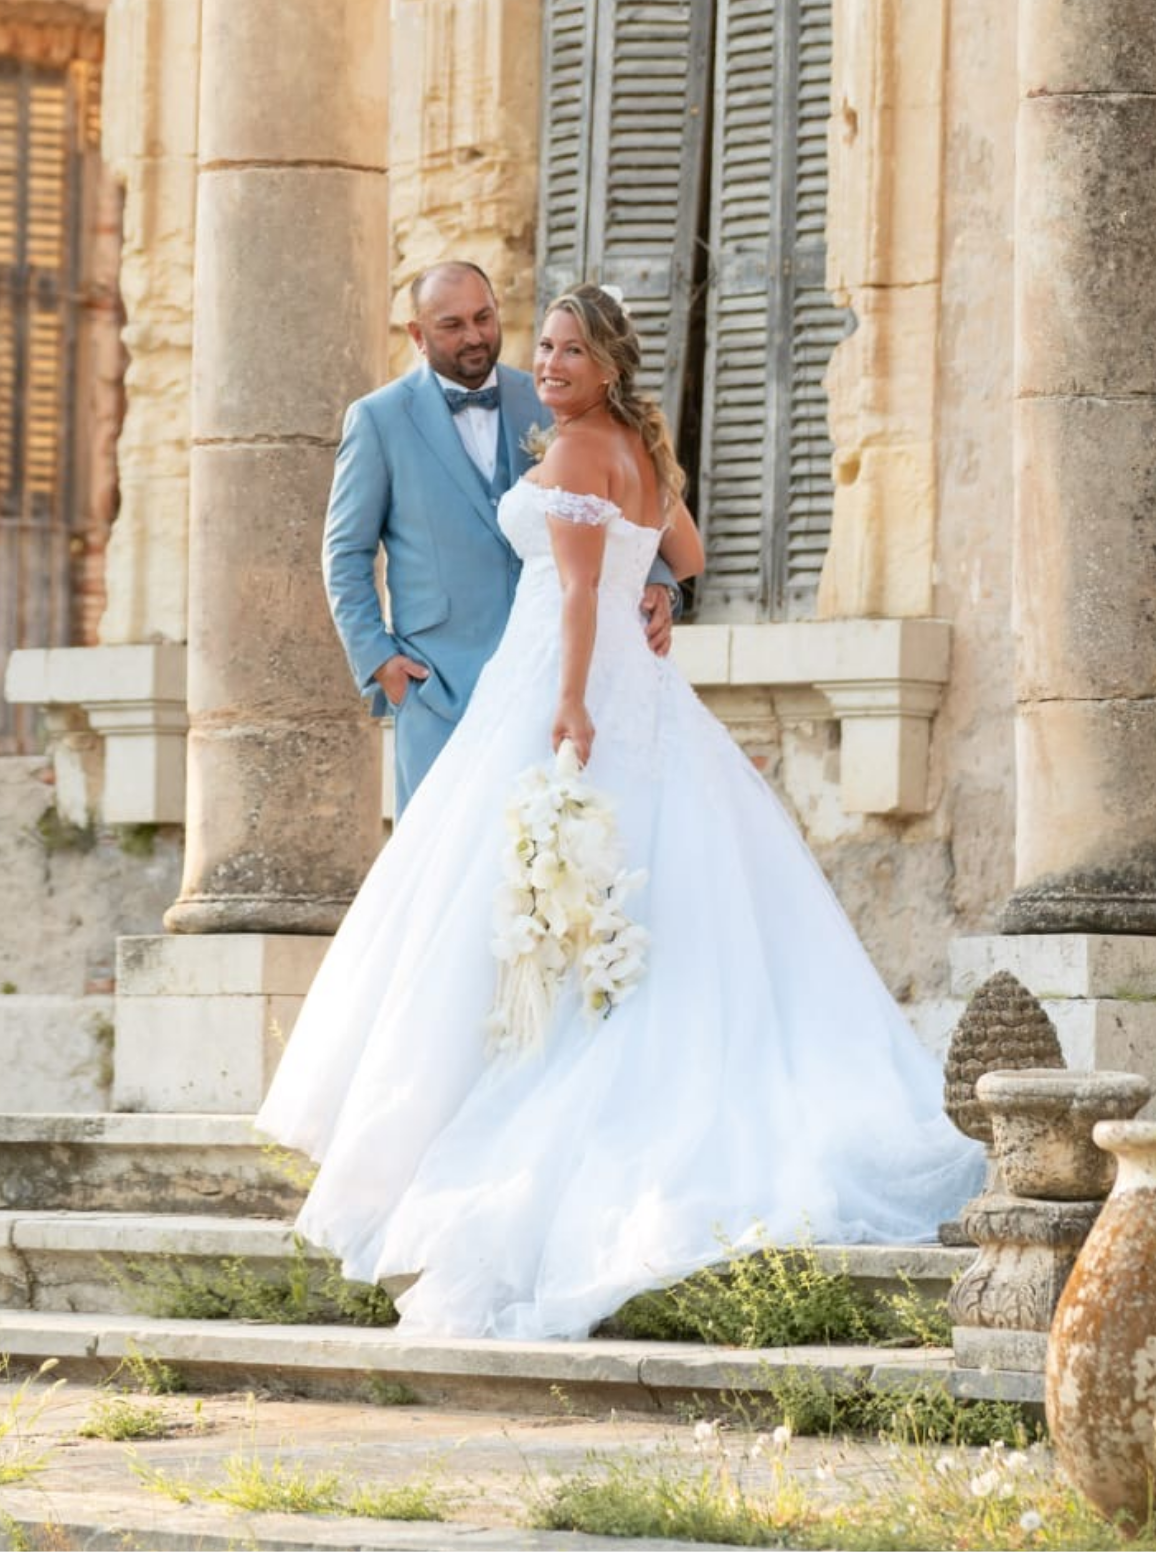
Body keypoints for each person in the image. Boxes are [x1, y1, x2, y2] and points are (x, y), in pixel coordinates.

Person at [260, 283, 984, 1340]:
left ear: (603, 363)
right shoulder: (630, 447)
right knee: (606, 898)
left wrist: (567, 702)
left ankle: (494, 1118)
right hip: (629, 698)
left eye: (562, 349)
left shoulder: (568, 450)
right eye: (540, 347)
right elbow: (679, 556)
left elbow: (575, 595)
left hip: (565, 691)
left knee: (541, 904)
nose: (541, 364)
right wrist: (655, 590)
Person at [322, 262, 675, 817]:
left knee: (557, 858)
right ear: (417, 335)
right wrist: (380, 661)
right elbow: (346, 552)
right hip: (439, 686)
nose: (475, 337)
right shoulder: (378, 420)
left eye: (484, 318)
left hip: (549, 670)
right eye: (452, 325)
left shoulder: (547, 393)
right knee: (443, 865)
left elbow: (621, 492)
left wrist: (656, 580)